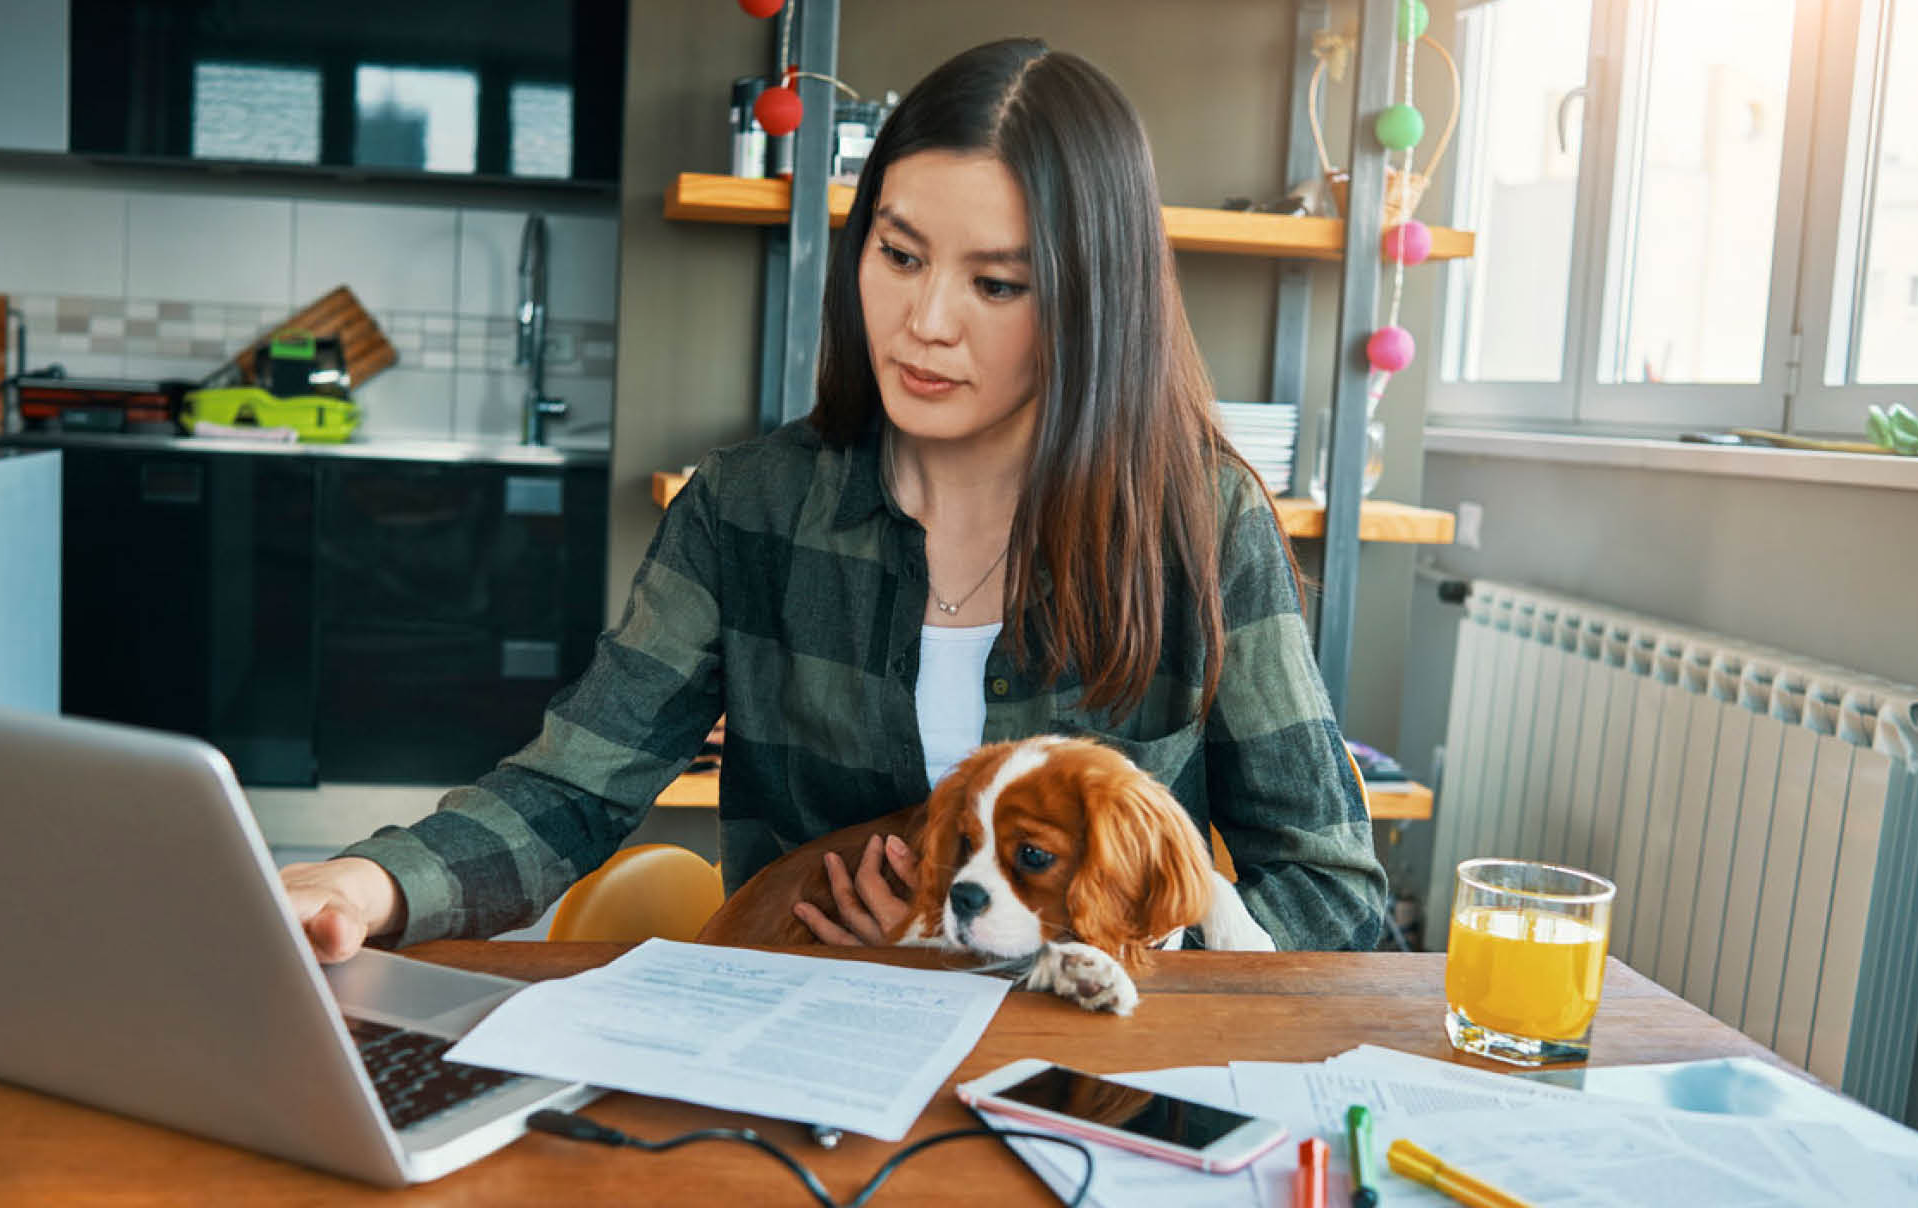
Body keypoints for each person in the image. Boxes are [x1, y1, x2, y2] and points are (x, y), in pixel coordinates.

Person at [281, 37, 1388, 962]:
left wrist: (1087, 950)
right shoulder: (744, 511)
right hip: (803, 1041)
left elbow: (1333, 891)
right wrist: (369, 881)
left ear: (1091, 301)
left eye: (996, 283)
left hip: (1088, 1081)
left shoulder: (1201, 523)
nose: (926, 320)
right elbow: (571, 788)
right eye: (898, 255)